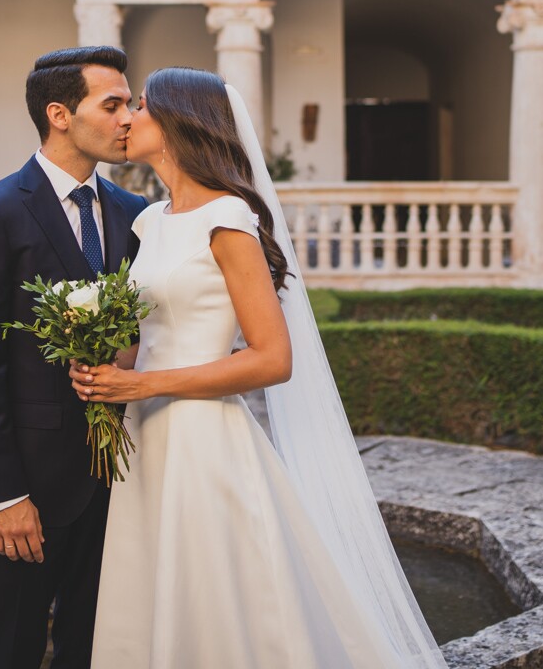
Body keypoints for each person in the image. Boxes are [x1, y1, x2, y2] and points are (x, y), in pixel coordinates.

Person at [70, 67, 447, 668]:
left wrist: (141, 384)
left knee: (216, 597)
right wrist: (101, 360)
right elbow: (151, 334)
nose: (128, 119)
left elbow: (273, 358)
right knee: (154, 591)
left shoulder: (227, 220)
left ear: (177, 122)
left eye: (140, 106)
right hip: (145, 434)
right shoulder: (150, 220)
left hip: (203, 437)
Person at [0, 46, 148, 669]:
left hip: (121, 487)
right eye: (111, 105)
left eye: (129, 104)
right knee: (10, 652)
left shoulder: (137, 216)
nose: (128, 118)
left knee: (95, 653)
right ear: (59, 114)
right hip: (27, 489)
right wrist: (1, 495)